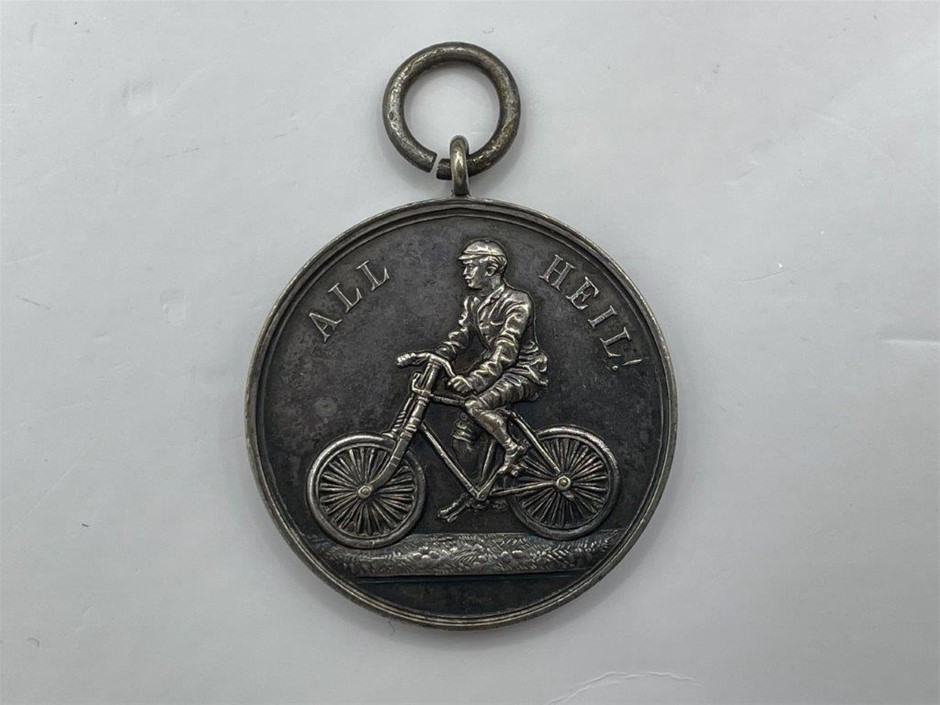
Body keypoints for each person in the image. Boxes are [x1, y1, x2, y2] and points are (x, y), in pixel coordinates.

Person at [424, 240, 549, 512]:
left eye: (471, 266)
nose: (465, 272)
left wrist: (473, 381)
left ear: (491, 268)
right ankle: (482, 492)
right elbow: (460, 337)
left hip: (523, 372)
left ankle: (513, 448)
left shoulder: (518, 302)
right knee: (460, 440)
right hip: (494, 372)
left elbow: (506, 350)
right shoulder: (473, 302)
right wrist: (436, 357)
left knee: (475, 405)